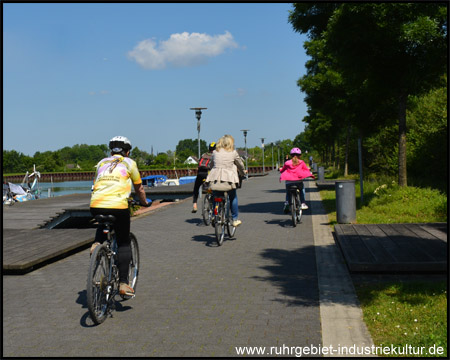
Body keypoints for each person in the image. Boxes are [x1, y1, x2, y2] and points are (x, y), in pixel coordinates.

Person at [90, 136, 151, 297]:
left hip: (96, 204)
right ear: (128, 152)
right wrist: (144, 202)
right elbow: (139, 189)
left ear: (111, 151)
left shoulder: (102, 163)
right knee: (124, 242)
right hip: (118, 206)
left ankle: (97, 244)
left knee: (102, 220)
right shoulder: (130, 163)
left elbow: (95, 184)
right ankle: (123, 283)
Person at [206, 134, 246, 227]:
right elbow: (240, 165)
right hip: (229, 181)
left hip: (216, 180)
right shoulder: (233, 152)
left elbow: (211, 165)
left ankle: (214, 215)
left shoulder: (215, 152)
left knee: (216, 196)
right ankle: (235, 219)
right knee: (233, 197)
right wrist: (243, 172)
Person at [279, 147, 315, 214]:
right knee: (302, 190)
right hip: (298, 182)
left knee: (288, 192)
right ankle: (303, 203)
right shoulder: (301, 162)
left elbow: (282, 170)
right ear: (300, 155)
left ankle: (287, 203)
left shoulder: (287, 163)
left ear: (291, 155)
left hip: (289, 182)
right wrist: (310, 173)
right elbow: (306, 170)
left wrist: (280, 169)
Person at [192, 142, 216, 213]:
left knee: (196, 188)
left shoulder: (204, 154)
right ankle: (213, 206)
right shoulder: (215, 155)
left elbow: (198, 165)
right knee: (213, 190)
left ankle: (195, 205)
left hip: (200, 174)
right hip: (208, 174)